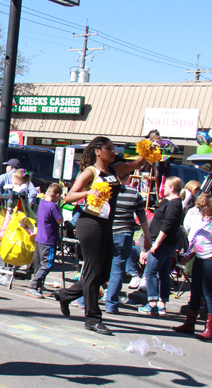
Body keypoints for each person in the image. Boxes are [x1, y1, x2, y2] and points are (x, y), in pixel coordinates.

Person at [56, 137, 147, 335]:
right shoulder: (91, 172)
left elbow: (139, 162)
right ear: (98, 151)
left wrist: (149, 148)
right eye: (109, 148)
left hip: (107, 224)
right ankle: (92, 319)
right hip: (90, 222)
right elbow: (68, 196)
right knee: (92, 271)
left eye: (114, 149)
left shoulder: (116, 170)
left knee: (103, 274)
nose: (113, 152)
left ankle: (65, 294)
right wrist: (88, 193)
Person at [170, 193, 212, 339]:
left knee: (209, 294)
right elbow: (198, 241)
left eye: (209, 205)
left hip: (211, 260)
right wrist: (189, 255)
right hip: (199, 259)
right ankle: (189, 323)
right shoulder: (205, 221)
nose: (205, 207)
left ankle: (209, 328)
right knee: (195, 291)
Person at [105, 172, 151, 313]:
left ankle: (86, 299)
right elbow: (142, 216)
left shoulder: (106, 191)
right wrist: (147, 237)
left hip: (106, 232)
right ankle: (111, 304)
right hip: (124, 233)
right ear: (127, 178)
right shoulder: (134, 193)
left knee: (98, 265)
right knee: (118, 269)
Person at [138, 176, 184, 316]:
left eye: (165, 186)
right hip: (166, 243)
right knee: (163, 273)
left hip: (163, 243)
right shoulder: (170, 202)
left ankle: (152, 304)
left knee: (150, 272)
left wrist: (156, 242)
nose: (163, 188)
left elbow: (168, 224)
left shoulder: (174, 204)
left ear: (172, 188)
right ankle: (161, 304)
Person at [25, 184, 63, 298]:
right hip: (49, 239)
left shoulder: (42, 203)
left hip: (39, 238)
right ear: (57, 195)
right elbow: (60, 221)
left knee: (39, 265)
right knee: (47, 264)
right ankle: (32, 286)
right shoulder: (53, 206)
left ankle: (38, 287)